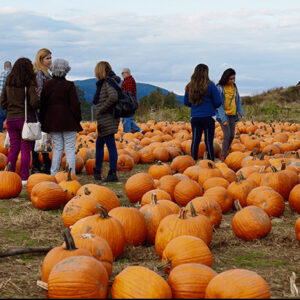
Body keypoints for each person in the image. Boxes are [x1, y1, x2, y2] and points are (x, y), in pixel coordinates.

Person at [0, 58, 40, 186]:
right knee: (25, 149)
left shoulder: (8, 82)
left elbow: (2, 102)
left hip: (11, 119)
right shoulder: (29, 82)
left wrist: (12, 108)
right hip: (25, 119)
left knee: (13, 148)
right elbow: (34, 103)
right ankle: (24, 177)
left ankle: (9, 173)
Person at [40, 58, 82, 176]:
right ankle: (71, 175)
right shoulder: (69, 85)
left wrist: (43, 122)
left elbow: (43, 105)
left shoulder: (47, 85)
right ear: (66, 70)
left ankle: (53, 174)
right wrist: (77, 119)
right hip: (69, 121)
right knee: (69, 149)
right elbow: (75, 105)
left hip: (52, 122)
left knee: (57, 148)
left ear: (53, 69)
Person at [184, 63, 227, 162]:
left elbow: (186, 102)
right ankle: (210, 161)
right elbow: (218, 102)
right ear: (206, 73)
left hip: (195, 117)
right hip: (208, 117)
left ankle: (193, 161)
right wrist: (210, 105)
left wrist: (195, 106)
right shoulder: (211, 85)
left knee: (195, 140)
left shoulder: (189, 86)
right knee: (208, 141)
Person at [93, 61, 121, 182]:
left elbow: (113, 97)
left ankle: (112, 173)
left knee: (110, 145)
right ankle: (98, 171)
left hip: (107, 118)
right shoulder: (108, 82)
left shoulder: (107, 82)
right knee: (99, 144)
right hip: (106, 119)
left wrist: (101, 109)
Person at [32, 48, 53, 174]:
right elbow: (40, 93)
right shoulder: (40, 73)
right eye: (47, 58)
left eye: (50, 58)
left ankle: (43, 163)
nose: (50, 61)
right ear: (41, 59)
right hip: (41, 110)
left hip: (44, 109)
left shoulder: (46, 73)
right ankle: (40, 164)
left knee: (41, 137)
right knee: (40, 137)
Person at [216, 68, 244, 161]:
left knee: (232, 135)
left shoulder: (234, 87)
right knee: (227, 135)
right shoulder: (220, 88)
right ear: (225, 78)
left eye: (234, 79)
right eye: (230, 79)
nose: (232, 81)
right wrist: (223, 118)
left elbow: (238, 100)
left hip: (232, 114)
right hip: (223, 115)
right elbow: (218, 104)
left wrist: (241, 112)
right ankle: (223, 155)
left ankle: (225, 151)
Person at [121, 68, 142, 133]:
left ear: (127, 73)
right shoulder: (126, 80)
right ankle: (138, 130)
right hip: (128, 103)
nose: (122, 75)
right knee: (126, 119)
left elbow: (128, 93)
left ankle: (127, 134)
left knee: (126, 120)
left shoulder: (129, 81)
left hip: (129, 103)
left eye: (123, 73)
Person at [0, 61, 12, 132]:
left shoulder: (1, 74)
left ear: (4, 67)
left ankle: (0, 132)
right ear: (11, 66)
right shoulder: (13, 74)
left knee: (1, 117)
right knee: (10, 117)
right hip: (10, 98)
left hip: (1, 98)